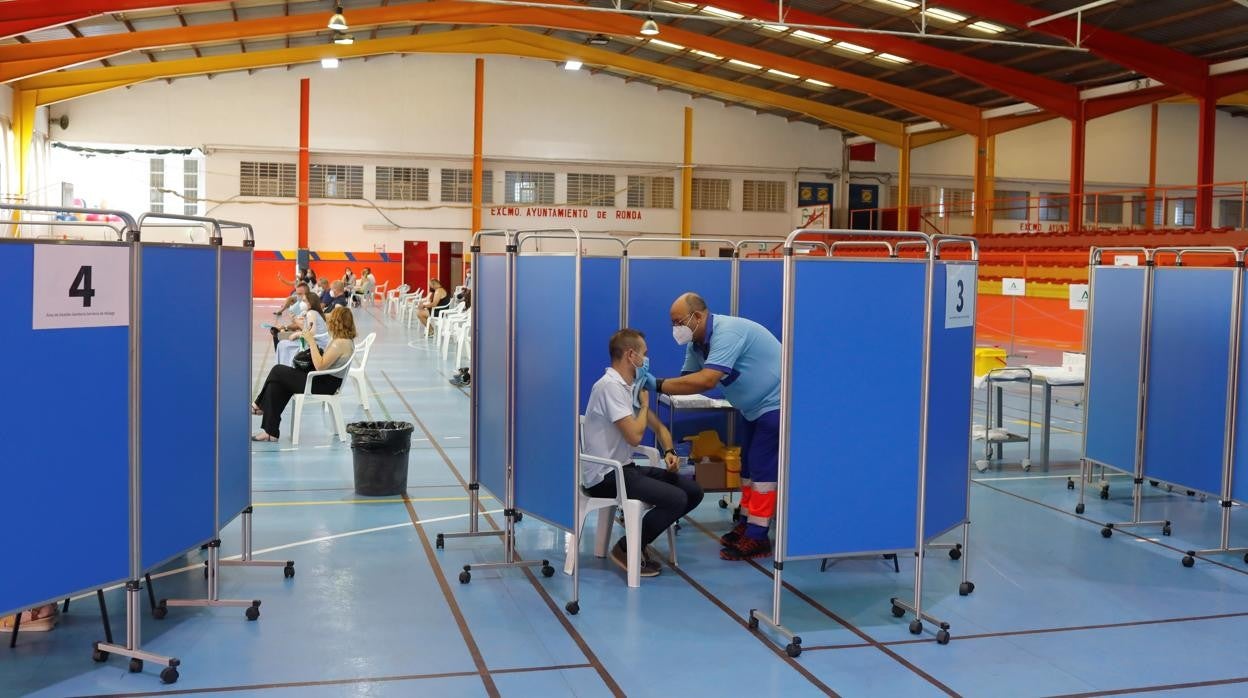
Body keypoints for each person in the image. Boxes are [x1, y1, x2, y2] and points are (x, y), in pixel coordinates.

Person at [647, 292, 781, 561]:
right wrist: (652, 385)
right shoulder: (696, 344)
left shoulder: (727, 332)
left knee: (763, 470)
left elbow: (706, 380)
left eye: (678, 322)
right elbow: (687, 381)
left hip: (776, 402)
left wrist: (654, 383)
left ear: (697, 316)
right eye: (672, 323)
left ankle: (758, 536)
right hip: (751, 408)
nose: (676, 329)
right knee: (748, 468)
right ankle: (746, 523)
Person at [582, 328, 704, 577]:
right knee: (676, 498)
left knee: (692, 491)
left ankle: (638, 543)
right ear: (630, 355)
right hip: (605, 476)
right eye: (644, 355)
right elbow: (635, 436)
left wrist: (669, 451)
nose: (647, 360)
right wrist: (645, 403)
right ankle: (626, 549)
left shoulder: (628, 389)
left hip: (624, 469)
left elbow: (659, 428)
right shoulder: (610, 387)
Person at [252, 306, 357, 441]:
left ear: (337, 322)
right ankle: (270, 432)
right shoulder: (344, 340)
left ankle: (259, 406)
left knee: (277, 370)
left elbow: (320, 366)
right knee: (276, 384)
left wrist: (311, 341)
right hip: (325, 380)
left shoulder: (340, 343)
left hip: (325, 384)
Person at [274, 292, 329, 366]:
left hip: (316, 345)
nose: (302, 303)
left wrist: (297, 334)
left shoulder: (311, 313)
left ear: (311, 303)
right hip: (317, 343)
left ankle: (283, 367)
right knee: (283, 342)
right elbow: (308, 328)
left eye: (304, 301)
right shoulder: (313, 312)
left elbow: (312, 333)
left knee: (282, 345)